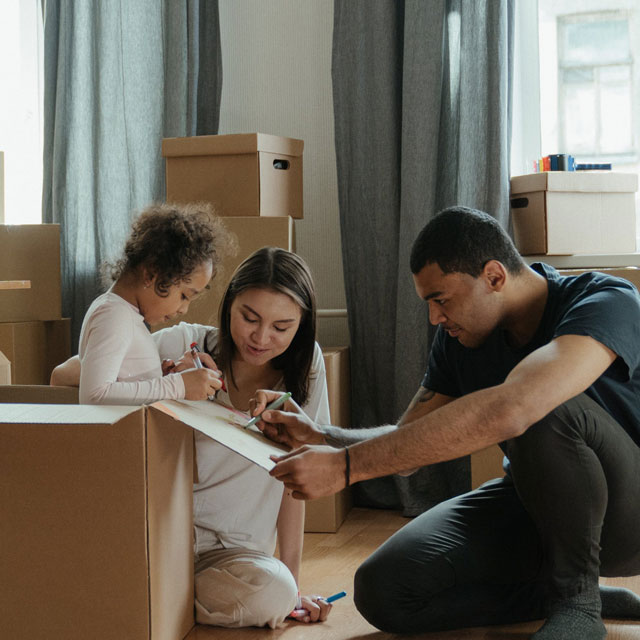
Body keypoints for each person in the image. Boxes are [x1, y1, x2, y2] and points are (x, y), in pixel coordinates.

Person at [252, 206, 640, 640]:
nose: (435, 318)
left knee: (542, 403)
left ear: (494, 276)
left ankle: (578, 605)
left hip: (630, 514)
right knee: (384, 589)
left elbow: (516, 407)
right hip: (536, 504)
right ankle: (555, 593)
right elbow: (407, 446)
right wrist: (328, 438)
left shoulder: (606, 300)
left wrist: (346, 469)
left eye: (441, 299)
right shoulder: (459, 339)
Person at [52, 246, 333, 629]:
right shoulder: (184, 343)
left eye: (281, 327)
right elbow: (64, 376)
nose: (261, 337)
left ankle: (154, 599)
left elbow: (295, 481)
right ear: (228, 304)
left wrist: (294, 587)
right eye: (249, 318)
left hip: (234, 556)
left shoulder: (307, 369)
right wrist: (165, 379)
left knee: (275, 593)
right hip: (161, 539)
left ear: (302, 325)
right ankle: (155, 596)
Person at [78, 201, 226, 404]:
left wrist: (160, 378)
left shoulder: (125, 315)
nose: (184, 309)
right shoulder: (114, 315)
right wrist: (178, 385)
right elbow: (94, 395)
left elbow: (123, 385)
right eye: (184, 296)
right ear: (151, 273)